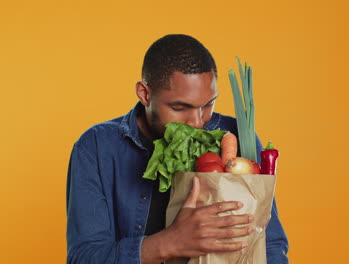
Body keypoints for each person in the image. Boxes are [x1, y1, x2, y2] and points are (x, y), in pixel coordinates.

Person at [66, 34, 289, 264]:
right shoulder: (96, 147)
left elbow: (270, 245)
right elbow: (84, 257)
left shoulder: (238, 137)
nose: (197, 122)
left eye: (208, 104)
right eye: (180, 107)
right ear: (145, 93)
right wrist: (171, 242)